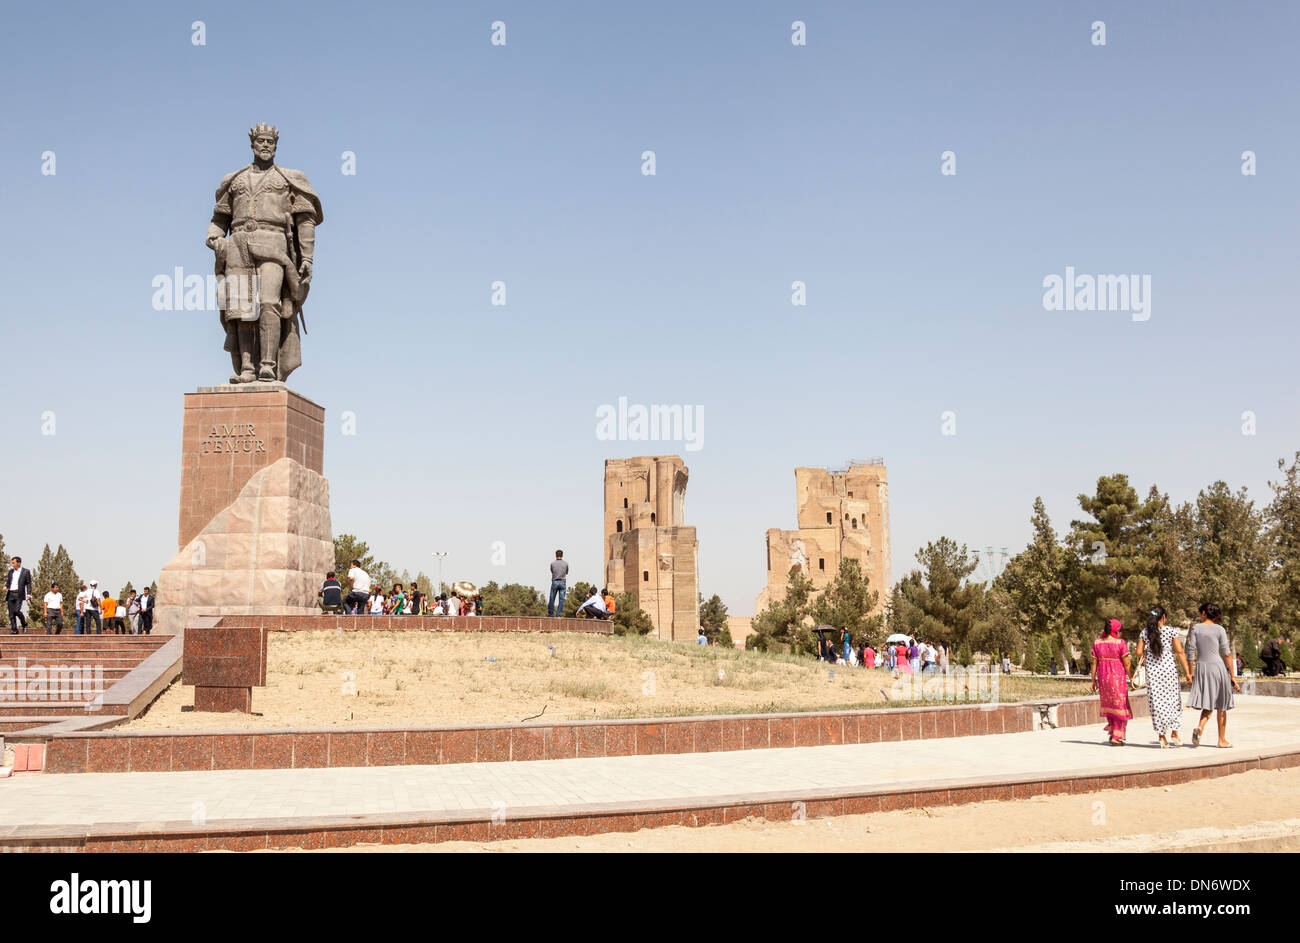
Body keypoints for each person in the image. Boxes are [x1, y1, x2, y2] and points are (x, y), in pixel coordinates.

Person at [1132, 605, 1190, 748]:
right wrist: (1188, 672)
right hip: (1169, 671)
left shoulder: (1145, 633)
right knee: (1173, 701)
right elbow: (1180, 652)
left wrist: (1147, 650)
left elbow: (1138, 653)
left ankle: (1162, 736)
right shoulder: (1171, 631)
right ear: (1163, 617)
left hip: (1153, 673)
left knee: (1157, 704)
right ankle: (1175, 732)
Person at [1187, 602, 1241, 748]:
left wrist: (1190, 673)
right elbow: (1227, 654)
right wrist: (1233, 676)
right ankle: (1221, 740)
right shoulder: (1220, 629)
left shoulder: (1196, 628)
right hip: (1218, 668)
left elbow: (1191, 651)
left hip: (1202, 668)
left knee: (1208, 702)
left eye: (1200, 612)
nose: (1200, 614)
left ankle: (1200, 727)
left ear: (1204, 613)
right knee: (1221, 704)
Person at [1091, 619, 1132, 745]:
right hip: (1117, 678)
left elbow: (1094, 662)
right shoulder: (1120, 643)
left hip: (1103, 678)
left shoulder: (1097, 643)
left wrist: (1093, 680)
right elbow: (1126, 662)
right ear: (1116, 631)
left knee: (1110, 705)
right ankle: (1116, 736)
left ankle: (1112, 731)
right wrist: (1132, 677)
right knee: (1120, 706)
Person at [7, 556, 32, 633]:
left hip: (19, 594)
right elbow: (8, 582)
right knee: (11, 614)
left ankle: (24, 624)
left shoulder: (25, 572)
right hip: (10, 594)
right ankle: (15, 630)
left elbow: (28, 583)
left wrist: (29, 594)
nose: (12, 564)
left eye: (13, 563)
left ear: (18, 563)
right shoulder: (11, 572)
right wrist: (5, 586)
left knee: (16, 611)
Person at [548, 550, 569, 617]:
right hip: (563, 582)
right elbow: (567, 572)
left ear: (555, 555)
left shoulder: (552, 563)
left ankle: (551, 614)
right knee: (561, 600)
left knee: (552, 598)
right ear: (562, 555)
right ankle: (558, 614)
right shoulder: (566, 563)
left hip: (555, 581)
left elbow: (552, 571)